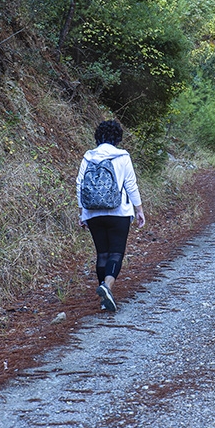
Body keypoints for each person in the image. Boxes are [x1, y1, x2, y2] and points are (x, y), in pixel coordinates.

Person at [76, 120, 146, 312]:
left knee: (102, 254)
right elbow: (131, 185)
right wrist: (139, 210)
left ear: (98, 137)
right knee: (116, 253)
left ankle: (104, 296)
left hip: (93, 213)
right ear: (117, 138)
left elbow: (79, 184)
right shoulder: (122, 156)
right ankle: (106, 287)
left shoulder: (88, 157)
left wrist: (82, 212)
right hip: (119, 212)